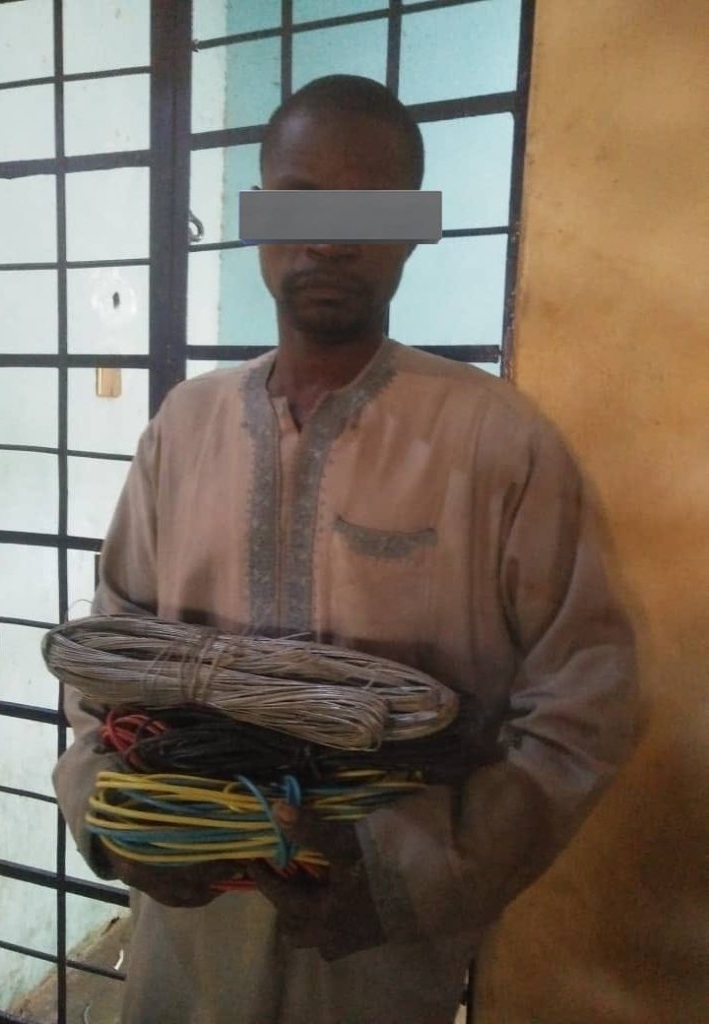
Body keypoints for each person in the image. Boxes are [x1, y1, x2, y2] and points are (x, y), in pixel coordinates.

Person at [53, 75, 638, 1024]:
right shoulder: (183, 428)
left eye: (370, 205)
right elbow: (106, 663)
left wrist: (411, 872)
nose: (328, 238)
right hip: (185, 947)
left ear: (413, 228)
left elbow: (587, 706)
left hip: (380, 956)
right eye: (299, 202)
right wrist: (112, 813)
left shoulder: (499, 443)